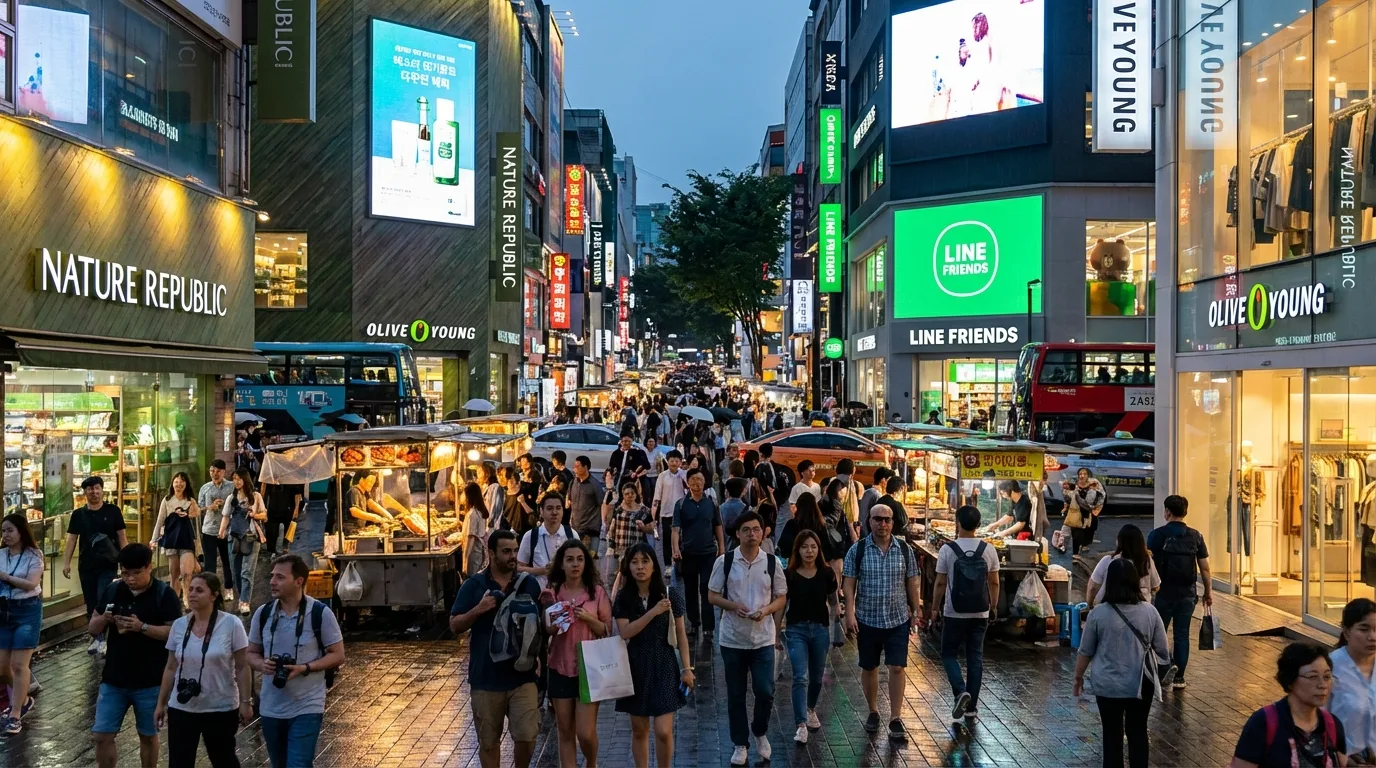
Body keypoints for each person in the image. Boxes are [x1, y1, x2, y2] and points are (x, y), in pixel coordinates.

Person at [450, 530, 544, 768]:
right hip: (486, 678)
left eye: (515, 551)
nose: (513, 556)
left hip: (522, 676)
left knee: (527, 736)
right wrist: (478, 609)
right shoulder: (474, 585)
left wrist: (540, 656)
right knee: (489, 742)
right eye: (506, 551)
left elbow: (539, 625)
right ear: (491, 553)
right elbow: (455, 625)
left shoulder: (529, 584)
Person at [89, 544, 182, 768]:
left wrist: (142, 627)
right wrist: (105, 619)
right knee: (101, 735)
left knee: (148, 736)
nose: (130, 579)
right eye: (125, 573)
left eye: (136, 573)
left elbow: (175, 633)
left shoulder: (164, 594)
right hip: (113, 679)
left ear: (149, 567)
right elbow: (92, 628)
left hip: (150, 681)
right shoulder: (113, 590)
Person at [247, 555, 345, 768]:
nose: (272, 582)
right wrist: (261, 664)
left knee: (298, 764)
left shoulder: (319, 613)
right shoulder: (263, 614)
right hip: (271, 706)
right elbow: (251, 652)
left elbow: (338, 654)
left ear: (299, 581)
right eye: (272, 576)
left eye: (280, 577)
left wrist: (305, 667)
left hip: (307, 705)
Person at [708, 511, 788, 766]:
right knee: (736, 694)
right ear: (737, 533)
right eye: (746, 530)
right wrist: (733, 606)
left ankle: (760, 731)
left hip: (763, 639)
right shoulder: (725, 561)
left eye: (756, 529)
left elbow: (781, 597)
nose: (751, 534)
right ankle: (740, 743)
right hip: (732, 639)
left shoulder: (772, 562)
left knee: (765, 690)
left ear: (763, 533)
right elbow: (712, 595)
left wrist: (766, 610)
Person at [1074, 559, 1170, 768]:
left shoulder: (1098, 613)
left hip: (1107, 684)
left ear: (1109, 582)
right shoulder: (1150, 612)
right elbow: (1163, 650)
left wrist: (1078, 677)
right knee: (1138, 731)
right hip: (1140, 683)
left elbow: (1085, 650)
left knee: (1111, 734)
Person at [842, 498, 920, 742]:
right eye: (878, 519)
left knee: (897, 667)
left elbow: (912, 581)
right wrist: (849, 613)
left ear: (892, 523)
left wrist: (915, 611)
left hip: (897, 618)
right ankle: (873, 711)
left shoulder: (904, 549)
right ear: (869, 522)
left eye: (887, 520)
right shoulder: (858, 550)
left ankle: (895, 716)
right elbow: (849, 583)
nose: (882, 524)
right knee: (869, 667)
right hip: (868, 618)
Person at [154, 572, 251, 768]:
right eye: (190, 589)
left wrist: (245, 702)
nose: (192, 594)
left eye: (199, 590)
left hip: (220, 707)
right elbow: (171, 667)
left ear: (214, 595)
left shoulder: (231, 624)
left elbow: (242, 667)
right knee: (179, 763)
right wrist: (161, 704)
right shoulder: (179, 625)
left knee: (224, 760)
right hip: (182, 707)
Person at [614, 542, 692, 768]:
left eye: (645, 561)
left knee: (663, 730)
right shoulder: (624, 598)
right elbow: (625, 632)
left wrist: (687, 668)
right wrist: (653, 612)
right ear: (628, 567)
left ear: (654, 565)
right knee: (639, 729)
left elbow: (681, 634)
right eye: (634, 562)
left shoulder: (670, 594)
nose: (640, 567)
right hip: (635, 665)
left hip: (664, 663)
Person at [543, 539, 611, 768]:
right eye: (570, 560)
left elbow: (606, 630)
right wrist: (558, 618)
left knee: (585, 732)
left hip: (589, 667)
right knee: (564, 730)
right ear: (561, 564)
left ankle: (592, 762)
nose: (575, 564)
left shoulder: (596, 593)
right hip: (560, 665)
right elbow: (547, 629)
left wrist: (587, 618)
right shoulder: (553, 592)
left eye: (580, 559)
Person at [1230, 642, 1347, 768]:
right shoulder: (1263, 722)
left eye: (1327, 677)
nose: (1322, 685)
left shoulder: (1332, 724)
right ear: (1290, 680)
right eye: (1313, 677)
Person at [934, 505, 1000, 724]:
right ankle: (971, 708)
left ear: (957, 522)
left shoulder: (947, 550)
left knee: (948, 653)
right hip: (980, 612)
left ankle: (960, 691)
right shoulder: (988, 549)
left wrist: (934, 609)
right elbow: (994, 582)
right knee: (975, 658)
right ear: (979, 525)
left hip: (954, 612)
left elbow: (940, 582)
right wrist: (993, 605)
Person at [1146, 494, 1213, 690]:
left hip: (1163, 593)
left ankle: (1165, 666)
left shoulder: (1157, 535)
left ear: (1167, 512)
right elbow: (1205, 568)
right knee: (1182, 635)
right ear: (1185, 512)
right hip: (1187, 594)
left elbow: (1148, 565)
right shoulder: (1195, 536)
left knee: (1158, 633)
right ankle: (1179, 678)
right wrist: (1208, 592)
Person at [63, 475, 128, 655]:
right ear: (85, 492)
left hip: (108, 565)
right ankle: (95, 637)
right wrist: (66, 562)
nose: (94, 492)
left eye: (97, 488)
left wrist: (126, 561)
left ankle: (103, 636)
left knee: (103, 599)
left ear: (102, 490)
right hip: (86, 566)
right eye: (90, 489)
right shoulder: (78, 515)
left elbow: (122, 536)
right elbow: (71, 540)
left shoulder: (113, 511)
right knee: (91, 602)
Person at [783, 530, 836, 745]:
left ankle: (810, 708)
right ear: (798, 550)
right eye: (804, 547)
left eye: (813, 547)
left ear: (818, 549)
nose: (809, 551)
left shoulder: (826, 573)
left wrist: (838, 620)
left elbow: (833, 599)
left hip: (820, 629)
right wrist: (776, 632)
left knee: (816, 677)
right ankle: (801, 724)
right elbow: (782, 603)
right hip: (796, 629)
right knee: (800, 676)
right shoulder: (790, 575)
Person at [0, 513, 43, 734]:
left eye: (10, 530)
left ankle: (15, 714)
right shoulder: (0, 555)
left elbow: (31, 584)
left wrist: (5, 577)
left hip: (27, 610)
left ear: (21, 531)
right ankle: (24, 699)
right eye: (3, 531)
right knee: (2, 668)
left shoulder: (34, 555)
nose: (5, 535)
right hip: (3, 611)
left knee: (18, 665)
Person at [673, 468, 725, 636]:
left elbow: (718, 526)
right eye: (693, 480)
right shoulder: (681, 504)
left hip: (708, 553)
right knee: (690, 589)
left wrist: (722, 547)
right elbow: (675, 528)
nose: (697, 483)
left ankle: (709, 627)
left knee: (707, 588)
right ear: (687, 483)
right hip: (688, 553)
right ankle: (694, 623)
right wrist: (675, 548)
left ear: (704, 482)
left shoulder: (711, 503)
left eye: (700, 479)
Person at [1329, 598, 1376, 764]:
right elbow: (1314, 722)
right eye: (1364, 629)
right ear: (1346, 632)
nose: (1372, 637)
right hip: (1343, 760)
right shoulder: (1329, 669)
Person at [151, 472, 201, 607]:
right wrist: (153, 540)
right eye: (176, 481)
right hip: (172, 541)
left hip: (186, 541)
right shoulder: (167, 500)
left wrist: (188, 513)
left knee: (186, 573)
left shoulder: (190, 500)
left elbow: (197, 514)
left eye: (182, 481)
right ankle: (174, 602)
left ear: (186, 484)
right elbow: (160, 521)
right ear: (172, 484)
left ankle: (187, 599)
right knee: (174, 574)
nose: (179, 484)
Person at [224, 470, 268, 616]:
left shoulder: (255, 496)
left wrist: (254, 515)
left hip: (251, 537)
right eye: (234, 479)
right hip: (234, 537)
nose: (236, 482)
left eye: (239, 479)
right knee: (236, 571)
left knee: (247, 571)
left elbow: (264, 515)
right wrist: (221, 531)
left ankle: (244, 601)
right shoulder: (231, 498)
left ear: (245, 479)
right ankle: (242, 596)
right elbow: (225, 516)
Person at [1086, 524, 1161, 609]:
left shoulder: (1108, 561)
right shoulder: (1147, 561)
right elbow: (1156, 586)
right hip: (1140, 610)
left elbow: (1092, 587)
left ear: (1119, 542)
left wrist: (1090, 605)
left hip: (1110, 609)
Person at [518, 493, 578, 588]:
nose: (554, 512)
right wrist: (542, 571)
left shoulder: (571, 535)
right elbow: (519, 568)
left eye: (558, 508)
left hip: (566, 591)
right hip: (538, 592)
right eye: (550, 508)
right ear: (541, 511)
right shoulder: (530, 536)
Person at [606, 480, 654, 593]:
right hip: (621, 549)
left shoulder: (644, 511)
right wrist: (611, 546)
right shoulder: (618, 510)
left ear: (636, 494)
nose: (629, 496)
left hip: (637, 549)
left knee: (635, 576)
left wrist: (643, 527)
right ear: (623, 495)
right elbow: (611, 527)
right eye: (627, 493)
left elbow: (652, 529)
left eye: (632, 493)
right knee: (621, 576)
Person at [197, 461, 236, 599]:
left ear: (224, 471)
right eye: (212, 471)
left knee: (227, 561)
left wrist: (227, 505)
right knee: (210, 562)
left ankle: (228, 588)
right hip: (209, 530)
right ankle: (210, 590)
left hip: (227, 530)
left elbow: (238, 504)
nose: (215, 474)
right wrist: (210, 507)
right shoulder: (205, 488)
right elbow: (199, 508)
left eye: (218, 471)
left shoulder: (232, 486)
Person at [653, 450, 688, 569]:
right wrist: (655, 512)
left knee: (681, 538)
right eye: (671, 461)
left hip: (681, 511)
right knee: (667, 538)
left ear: (680, 462)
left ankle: (680, 563)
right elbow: (657, 495)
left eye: (676, 461)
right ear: (667, 461)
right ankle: (668, 565)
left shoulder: (684, 475)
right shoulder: (662, 476)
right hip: (666, 511)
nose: (674, 463)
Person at [778, 492, 831, 565]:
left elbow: (783, 546)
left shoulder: (792, 524)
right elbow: (827, 549)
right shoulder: (820, 526)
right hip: (817, 564)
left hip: (796, 564)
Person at [821, 478, 855, 584]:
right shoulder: (834, 503)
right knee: (836, 575)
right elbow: (830, 524)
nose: (845, 491)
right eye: (843, 488)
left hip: (827, 544)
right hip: (834, 546)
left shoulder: (824, 500)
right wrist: (838, 539)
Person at [261, 470, 302, 557]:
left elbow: (297, 494)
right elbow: (263, 488)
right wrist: (261, 506)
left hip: (287, 508)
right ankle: (271, 551)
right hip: (273, 508)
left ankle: (285, 549)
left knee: (288, 531)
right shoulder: (271, 476)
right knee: (271, 531)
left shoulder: (290, 476)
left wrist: (296, 509)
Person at [566, 456, 603, 553]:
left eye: (577, 466)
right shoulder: (573, 482)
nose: (574, 469)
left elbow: (602, 504)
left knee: (590, 558)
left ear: (585, 467)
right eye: (574, 466)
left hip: (591, 529)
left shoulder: (595, 485)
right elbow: (569, 500)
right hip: (575, 528)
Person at [1068, 468, 1108, 555]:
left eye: (1084, 474)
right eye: (1080, 474)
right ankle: (1075, 553)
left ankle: (1084, 544)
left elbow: (1102, 496)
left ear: (1088, 475)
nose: (1082, 476)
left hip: (1091, 513)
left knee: (1089, 532)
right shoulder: (1075, 484)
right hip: (1078, 512)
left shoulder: (1095, 484)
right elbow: (1068, 495)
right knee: (1076, 533)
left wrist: (1095, 507)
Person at [784, 460, 822, 542]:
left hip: (814, 518)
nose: (812, 472)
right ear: (802, 473)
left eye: (813, 469)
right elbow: (792, 505)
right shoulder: (796, 488)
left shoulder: (817, 487)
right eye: (809, 470)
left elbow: (818, 503)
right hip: (801, 518)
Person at [460, 482, 490, 578]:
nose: (462, 497)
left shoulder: (472, 514)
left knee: (472, 580)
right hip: (479, 552)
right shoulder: (480, 511)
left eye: (463, 494)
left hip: (473, 554)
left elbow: (471, 538)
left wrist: (465, 561)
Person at [858, 467, 893, 536]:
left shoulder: (868, 491)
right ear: (883, 480)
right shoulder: (876, 495)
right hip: (868, 532)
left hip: (862, 530)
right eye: (888, 480)